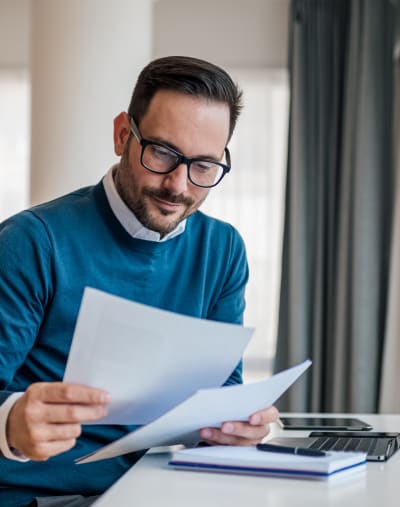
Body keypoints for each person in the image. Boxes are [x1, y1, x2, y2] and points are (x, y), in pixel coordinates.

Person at [0, 55, 278, 506]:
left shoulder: (224, 250)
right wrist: (11, 423)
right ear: (122, 135)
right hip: (41, 496)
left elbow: (220, 390)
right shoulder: (33, 241)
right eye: (163, 153)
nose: (179, 186)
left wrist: (234, 426)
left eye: (204, 166)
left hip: (162, 490)